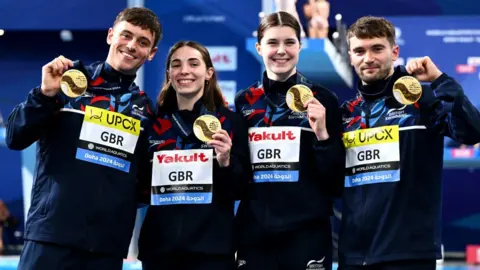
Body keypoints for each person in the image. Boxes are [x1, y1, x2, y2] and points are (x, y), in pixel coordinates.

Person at [6, 7, 162, 270]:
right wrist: (44, 94)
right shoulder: (68, 82)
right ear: (111, 35)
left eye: (143, 42)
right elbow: (15, 137)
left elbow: (143, 183)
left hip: (105, 248)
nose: (132, 46)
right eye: (127, 35)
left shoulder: (144, 110)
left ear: (151, 54)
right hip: (51, 237)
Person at [339, 16, 480, 270]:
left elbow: (472, 131)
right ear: (350, 56)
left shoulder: (422, 101)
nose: (368, 58)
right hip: (354, 255)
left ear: (394, 52)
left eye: (377, 48)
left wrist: (439, 80)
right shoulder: (347, 114)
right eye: (359, 50)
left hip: (409, 255)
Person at [234, 11, 345, 270]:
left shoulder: (324, 99)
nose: (281, 51)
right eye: (272, 43)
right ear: (259, 47)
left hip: (307, 233)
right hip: (254, 232)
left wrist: (322, 135)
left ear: (300, 46)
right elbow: (238, 175)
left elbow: (336, 181)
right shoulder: (244, 102)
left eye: (289, 42)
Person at [136, 41, 252, 270]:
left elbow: (241, 190)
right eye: (176, 65)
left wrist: (225, 161)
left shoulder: (230, 122)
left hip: (212, 252)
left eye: (193, 63)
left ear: (208, 73)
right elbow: (138, 187)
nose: (184, 71)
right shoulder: (152, 123)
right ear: (169, 74)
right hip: (159, 251)